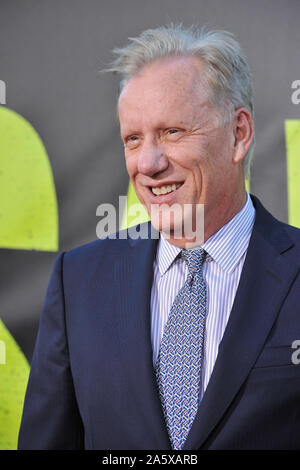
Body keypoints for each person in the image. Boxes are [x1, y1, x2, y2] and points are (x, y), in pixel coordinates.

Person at [18, 24, 300, 450]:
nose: (147, 164)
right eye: (133, 139)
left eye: (172, 132)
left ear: (238, 134)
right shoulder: (77, 280)